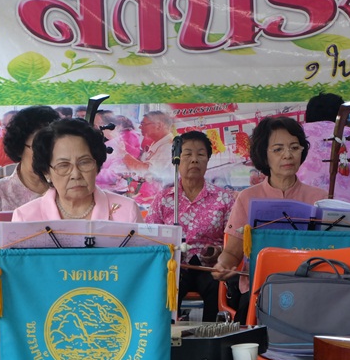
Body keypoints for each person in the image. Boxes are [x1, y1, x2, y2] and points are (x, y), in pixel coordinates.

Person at [212, 115, 327, 323]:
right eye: (278, 149)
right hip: (259, 289)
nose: (288, 155)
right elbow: (232, 252)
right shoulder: (247, 197)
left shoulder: (320, 198)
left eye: (294, 147)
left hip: (308, 290)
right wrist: (223, 264)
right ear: (264, 155)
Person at [145, 131, 236, 322]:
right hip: (176, 266)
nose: (194, 160)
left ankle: (212, 336)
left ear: (208, 160)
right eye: (187, 154)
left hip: (210, 268)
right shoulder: (164, 198)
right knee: (166, 287)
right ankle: (166, 334)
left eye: (201, 154)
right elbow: (150, 238)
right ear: (177, 160)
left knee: (216, 287)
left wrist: (219, 252)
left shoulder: (224, 198)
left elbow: (233, 241)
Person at [12, 118, 142, 222]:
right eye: (63, 165)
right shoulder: (25, 218)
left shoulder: (127, 212)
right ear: (46, 172)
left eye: (84, 162)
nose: (76, 174)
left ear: (97, 165)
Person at [0, 106, 60, 253]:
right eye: (38, 147)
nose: (46, 154)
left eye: (53, 147)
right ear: (19, 148)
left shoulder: (68, 190)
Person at [297, 92, 350, 206]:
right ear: (344, 115)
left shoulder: (295, 135)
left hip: (301, 209)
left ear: (307, 115)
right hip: (349, 211)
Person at [122, 110, 175, 183]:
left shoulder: (168, 147)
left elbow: (147, 172)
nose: (140, 127)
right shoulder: (158, 143)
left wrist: (122, 154)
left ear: (158, 126)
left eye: (143, 124)